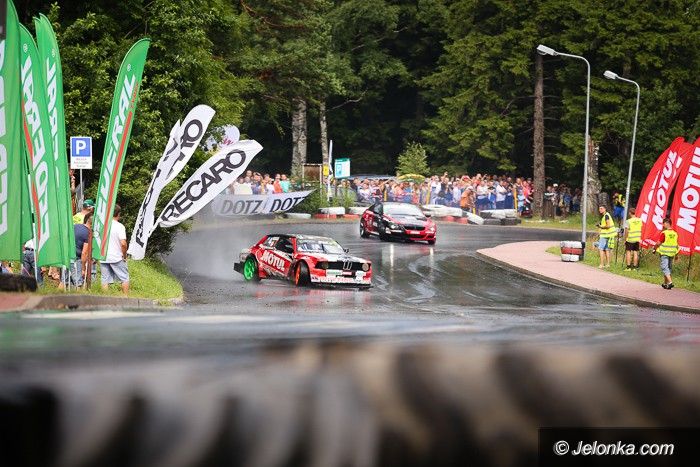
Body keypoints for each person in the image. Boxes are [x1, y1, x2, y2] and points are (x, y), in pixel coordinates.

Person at [100, 204, 129, 294]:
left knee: (105, 279)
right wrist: (124, 255)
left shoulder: (102, 226)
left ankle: (105, 298)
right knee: (124, 278)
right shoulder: (120, 226)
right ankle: (125, 298)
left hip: (103, 256)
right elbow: (123, 243)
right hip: (116, 257)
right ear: (118, 214)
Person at [60, 213, 93, 288]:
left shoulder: (76, 226)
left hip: (66, 257)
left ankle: (56, 295)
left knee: (63, 281)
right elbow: (84, 253)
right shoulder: (88, 233)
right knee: (78, 284)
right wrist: (83, 268)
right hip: (76, 260)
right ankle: (79, 296)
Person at [653, 218, 679, 289]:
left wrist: (654, 248)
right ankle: (665, 283)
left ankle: (670, 282)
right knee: (668, 268)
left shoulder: (664, 233)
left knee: (664, 267)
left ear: (667, 223)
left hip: (664, 253)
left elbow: (658, 243)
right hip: (672, 253)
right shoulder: (675, 233)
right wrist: (677, 255)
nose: (663, 225)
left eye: (663, 223)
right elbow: (677, 245)